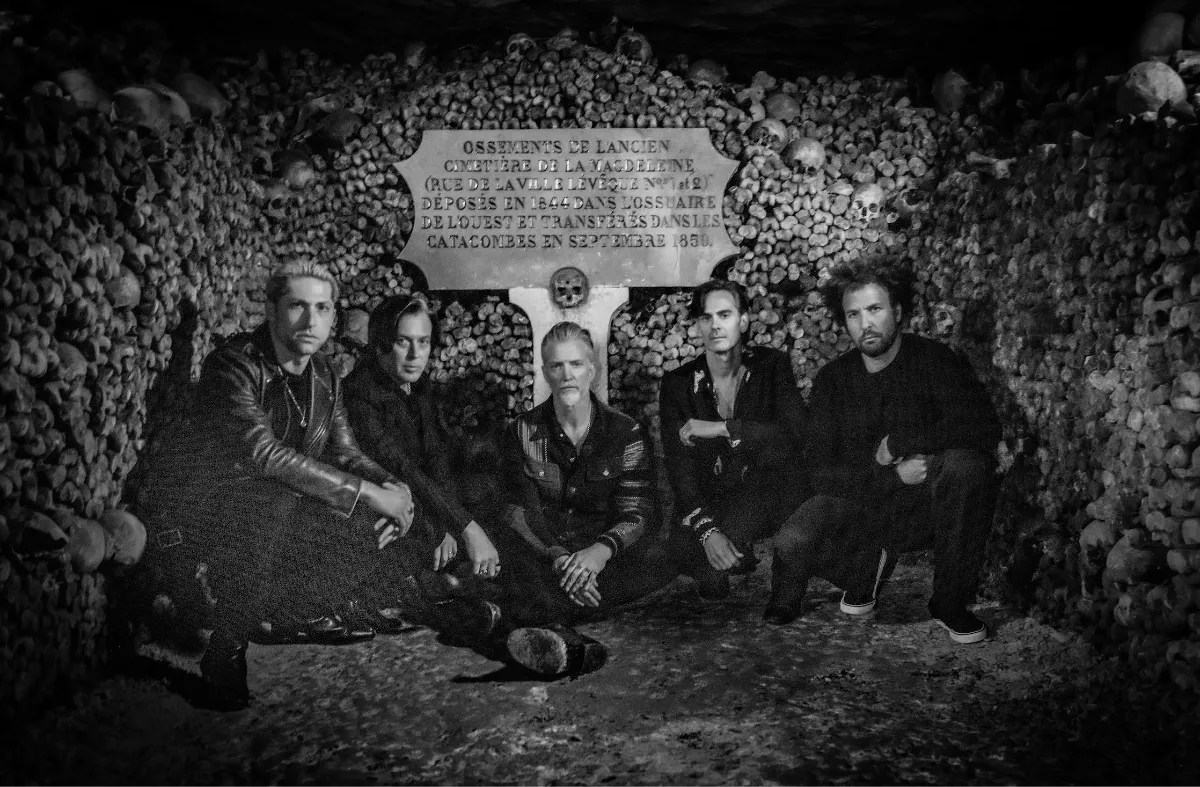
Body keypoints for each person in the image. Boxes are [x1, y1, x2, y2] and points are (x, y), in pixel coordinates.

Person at [142, 259, 424, 711]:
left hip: (284, 512)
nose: (311, 320)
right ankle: (227, 648)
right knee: (272, 497)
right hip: (216, 514)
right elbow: (262, 455)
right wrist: (370, 494)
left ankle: (289, 612)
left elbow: (345, 452)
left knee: (373, 522)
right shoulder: (232, 365)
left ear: (333, 318)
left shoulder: (325, 375)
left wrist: (393, 487)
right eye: (297, 306)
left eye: (322, 308)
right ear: (272, 310)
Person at [766, 257, 1001, 644]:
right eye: (854, 314)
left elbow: (982, 426)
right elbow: (819, 470)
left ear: (899, 312)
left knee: (967, 466)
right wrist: (891, 475)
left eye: (875, 309)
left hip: (928, 506)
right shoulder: (833, 380)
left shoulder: (934, 360)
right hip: (867, 502)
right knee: (793, 540)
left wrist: (901, 443)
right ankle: (864, 570)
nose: (865, 324)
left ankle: (949, 602)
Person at [492, 322, 673, 674]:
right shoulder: (523, 431)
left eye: (576, 364)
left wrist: (598, 553)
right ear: (545, 372)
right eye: (556, 366)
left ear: (592, 369)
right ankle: (571, 645)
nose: (567, 375)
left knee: (660, 560)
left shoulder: (625, 432)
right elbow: (519, 511)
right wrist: (560, 558)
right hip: (546, 555)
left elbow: (638, 510)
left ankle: (518, 616)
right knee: (513, 555)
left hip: (603, 557)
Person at [658, 279, 808, 600]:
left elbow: (795, 435)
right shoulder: (678, 383)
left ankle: (742, 544)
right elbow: (679, 467)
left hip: (763, 490)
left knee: (721, 559)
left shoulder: (771, 366)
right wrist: (707, 531)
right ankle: (727, 549)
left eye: (724, 315)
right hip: (712, 495)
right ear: (698, 325)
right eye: (706, 317)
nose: (715, 325)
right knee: (685, 556)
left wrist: (725, 428)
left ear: (743, 321)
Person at [342, 293, 502, 583]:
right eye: (403, 342)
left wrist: (453, 525)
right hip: (385, 509)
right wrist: (459, 528)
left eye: (424, 342)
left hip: (428, 507)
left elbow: (435, 456)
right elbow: (401, 468)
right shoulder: (360, 394)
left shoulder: (418, 385)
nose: (415, 355)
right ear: (380, 343)